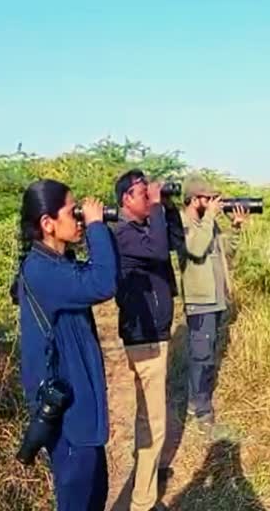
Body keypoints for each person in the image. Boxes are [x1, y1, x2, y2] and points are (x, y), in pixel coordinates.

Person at [11, 179, 117, 511]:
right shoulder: (42, 271)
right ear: (48, 224)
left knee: (95, 494)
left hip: (82, 408)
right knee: (78, 500)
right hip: (70, 416)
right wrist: (97, 226)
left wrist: (99, 228)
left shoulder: (58, 262)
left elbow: (100, 273)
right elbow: (103, 282)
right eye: (73, 212)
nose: (81, 218)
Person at [112, 169, 184, 511]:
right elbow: (158, 252)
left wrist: (166, 208)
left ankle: (144, 489)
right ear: (126, 199)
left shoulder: (143, 228)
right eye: (143, 193)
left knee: (148, 418)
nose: (148, 197)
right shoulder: (124, 233)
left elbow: (173, 243)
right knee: (154, 423)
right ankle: (142, 503)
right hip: (145, 338)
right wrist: (156, 206)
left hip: (152, 334)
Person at [178, 175, 248, 436]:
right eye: (208, 198)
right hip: (200, 302)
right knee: (201, 356)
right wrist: (209, 217)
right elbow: (195, 249)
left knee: (206, 354)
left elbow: (227, 252)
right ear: (195, 199)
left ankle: (197, 402)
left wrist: (237, 228)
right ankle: (201, 411)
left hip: (216, 299)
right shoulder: (183, 224)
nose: (214, 203)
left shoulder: (209, 224)